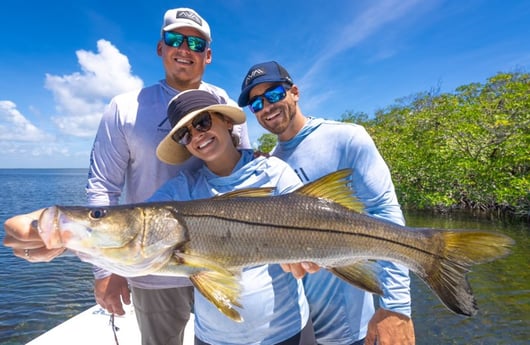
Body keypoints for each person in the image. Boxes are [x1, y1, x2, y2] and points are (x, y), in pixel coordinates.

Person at [7, 7, 250, 345]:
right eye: (174, 39)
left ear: (207, 55)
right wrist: (106, 272)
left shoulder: (223, 103)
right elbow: (103, 187)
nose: (184, 49)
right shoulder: (124, 108)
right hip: (149, 270)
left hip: (223, 261)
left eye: (195, 44)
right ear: (160, 48)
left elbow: (246, 180)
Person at [3, 89, 316, 345]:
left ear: (225, 122)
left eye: (204, 122)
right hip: (215, 339)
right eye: (185, 134)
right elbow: (136, 222)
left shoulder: (273, 171)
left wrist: (310, 255)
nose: (197, 135)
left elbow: (316, 219)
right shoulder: (182, 191)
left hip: (289, 331)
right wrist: (51, 224)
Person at [237, 61, 415, 345]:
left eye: (273, 94)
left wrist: (396, 308)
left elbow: (386, 215)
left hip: (349, 330)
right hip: (299, 327)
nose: (266, 107)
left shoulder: (346, 138)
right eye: (256, 104)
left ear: (294, 91)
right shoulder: (270, 164)